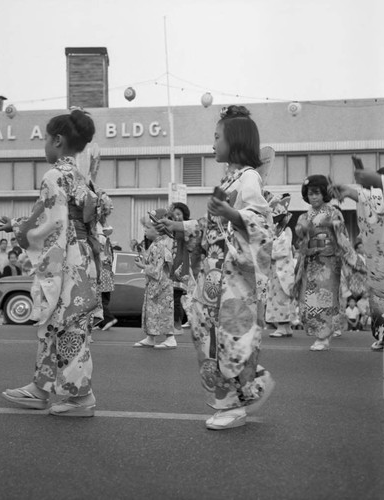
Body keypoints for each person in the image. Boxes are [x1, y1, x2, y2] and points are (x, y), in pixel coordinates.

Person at [158, 106, 275, 430]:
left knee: (227, 337)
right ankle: (244, 391)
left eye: (216, 137)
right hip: (214, 273)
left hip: (233, 275)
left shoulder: (249, 177)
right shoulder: (229, 179)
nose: (212, 144)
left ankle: (233, 404)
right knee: (204, 332)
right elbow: (210, 225)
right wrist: (178, 226)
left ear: (233, 140)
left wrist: (233, 213)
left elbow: (262, 223)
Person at [0, 109, 101, 417]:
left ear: (57, 140)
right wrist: (17, 225)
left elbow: (53, 223)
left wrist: (23, 233)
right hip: (82, 258)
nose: (44, 144)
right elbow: (66, 220)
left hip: (66, 257)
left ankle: (81, 397)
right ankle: (41, 388)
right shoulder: (81, 178)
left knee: (65, 328)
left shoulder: (54, 175)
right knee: (58, 326)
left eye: (45, 138)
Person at [293, 175, 364, 351]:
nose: (314, 197)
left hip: (328, 262)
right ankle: (320, 333)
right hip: (311, 262)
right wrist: (303, 229)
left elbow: (341, 232)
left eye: (317, 193)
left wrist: (332, 224)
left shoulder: (333, 212)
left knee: (326, 297)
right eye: (310, 194)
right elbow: (300, 234)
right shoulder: (305, 215)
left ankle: (324, 336)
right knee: (310, 299)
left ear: (324, 193)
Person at [331, 167, 384, 351]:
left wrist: (378, 182)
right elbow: (365, 199)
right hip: (378, 261)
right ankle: (381, 335)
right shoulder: (370, 196)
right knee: (377, 302)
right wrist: (348, 191)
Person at [133, 209, 175, 349]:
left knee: (162, 311)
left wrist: (143, 266)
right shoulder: (158, 244)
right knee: (153, 310)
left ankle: (170, 338)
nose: (145, 230)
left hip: (160, 285)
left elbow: (156, 270)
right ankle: (151, 337)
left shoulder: (159, 245)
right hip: (158, 284)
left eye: (148, 228)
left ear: (157, 231)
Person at [264, 193, 296, 338]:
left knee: (281, 298)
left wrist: (267, 251)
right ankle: (285, 326)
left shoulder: (285, 233)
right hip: (276, 271)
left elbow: (281, 251)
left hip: (282, 271)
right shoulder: (276, 234)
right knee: (278, 297)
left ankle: (283, 326)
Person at [169, 202, 191, 335]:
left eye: (179, 214)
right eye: (174, 214)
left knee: (176, 298)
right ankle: (176, 324)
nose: (176, 217)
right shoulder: (176, 230)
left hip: (182, 267)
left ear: (185, 215)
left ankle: (178, 326)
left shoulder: (186, 229)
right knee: (174, 298)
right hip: (174, 266)